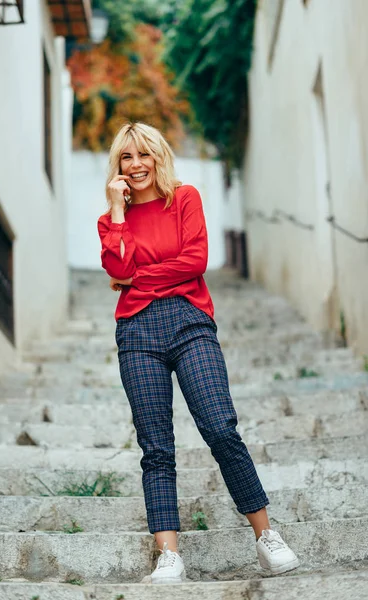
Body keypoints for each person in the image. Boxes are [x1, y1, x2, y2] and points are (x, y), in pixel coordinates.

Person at [97, 122, 300, 584]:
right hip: (136, 332)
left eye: (144, 155)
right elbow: (116, 266)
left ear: (158, 156)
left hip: (190, 322)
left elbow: (196, 261)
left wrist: (137, 280)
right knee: (156, 446)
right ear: (118, 167)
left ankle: (266, 536)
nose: (136, 165)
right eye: (126, 158)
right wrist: (116, 210)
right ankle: (169, 555)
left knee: (220, 427)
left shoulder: (184, 199)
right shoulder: (112, 219)